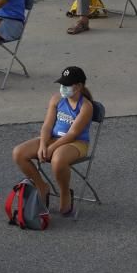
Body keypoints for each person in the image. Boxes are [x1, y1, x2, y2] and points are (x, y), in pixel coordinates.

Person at [12, 67, 94, 214]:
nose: (63, 88)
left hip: (76, 143)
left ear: (79, 86)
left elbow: (73, 133)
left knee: (58, 159)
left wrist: (51, 148)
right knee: (19, 153)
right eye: (62, 84)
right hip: (53, 138)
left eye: (67, 85)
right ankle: (41, 186)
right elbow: (47, 125)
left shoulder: (86, 106)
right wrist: (43, 144)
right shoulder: (56, 99)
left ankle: (65, 192)